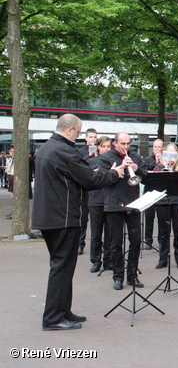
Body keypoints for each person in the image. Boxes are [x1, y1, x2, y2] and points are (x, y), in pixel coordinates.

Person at [32, 114, 122, 331]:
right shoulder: (65, 152)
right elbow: (91, 181)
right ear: (71, 130)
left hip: (49, 216)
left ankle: (63, 310)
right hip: (63, 218)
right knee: (61, 267)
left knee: (63, 265)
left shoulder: (46, 148)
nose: (80, 136)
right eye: (80, 132)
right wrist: (114, 173)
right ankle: (53, 317)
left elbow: (72, 176)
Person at [99, 132, 147, 290]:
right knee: (115, 243)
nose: (126, 147)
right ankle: (118, 276)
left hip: (133, 203)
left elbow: (145, 177)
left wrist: (136, 168)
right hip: (114, 204)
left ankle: (132, 276)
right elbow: (103, 179)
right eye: (123, 144)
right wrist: (121, 167)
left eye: (128, 144)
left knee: (135, 241)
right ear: (115, 143)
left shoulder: (135, 156)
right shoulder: (106, 157)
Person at [155, 143, 178, 269]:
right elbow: (155, 184)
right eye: (167, 154)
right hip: (163, 201)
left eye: (173, 154)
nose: (170, 158)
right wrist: (164, 168)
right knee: (163, 231)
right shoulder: (158, 167)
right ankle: (163, 259)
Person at [89, 136, 114, 273]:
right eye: (103, 146)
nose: (106, 149)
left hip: (110, 200)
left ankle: (108, 260)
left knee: (110, 233)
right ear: (98, 147)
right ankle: (95, 260)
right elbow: (88, 179)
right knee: (96, 233)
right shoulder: (91, 162)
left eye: (108, 146)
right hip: (95, 200)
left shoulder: (113, 161)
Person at [77, 128, 98, 255]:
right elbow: (78, 165)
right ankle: (80, 244)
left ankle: (97, 245)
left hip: (97, 189)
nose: (93, 139)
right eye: (91, 137)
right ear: (86, 138)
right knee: (83, 218)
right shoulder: (80, 151)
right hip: (86, 190)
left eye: (95, 137)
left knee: (97, 221)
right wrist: (89, 156)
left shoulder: (100, 151)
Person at [143, 138, 164, 250]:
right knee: (149, 218)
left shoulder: (165, 160)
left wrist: (162, 163)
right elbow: (144, 173)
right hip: (149, 192)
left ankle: (161, 240)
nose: (157, 149)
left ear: (162, 148)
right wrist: (155, 164)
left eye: (159, 147)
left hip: (160, 192)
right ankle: (148, 241)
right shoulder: (147, 160)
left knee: (161, 218)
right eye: (155, 147)